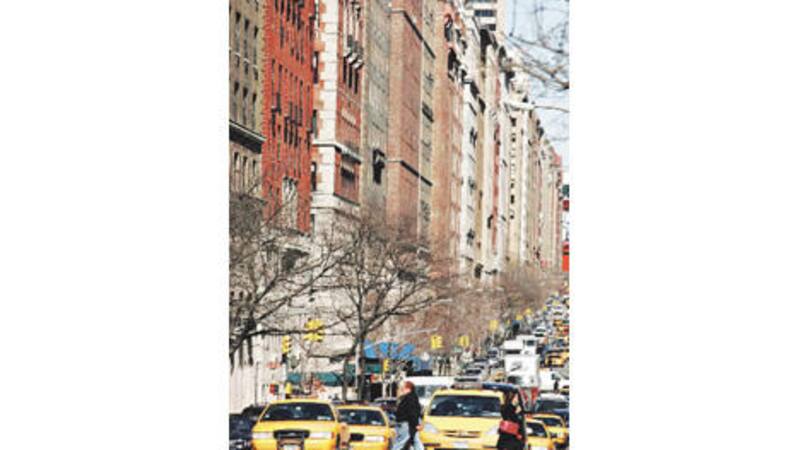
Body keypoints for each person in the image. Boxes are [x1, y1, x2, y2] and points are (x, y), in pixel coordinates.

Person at [392, 380, 423, 450]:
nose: (402, 390)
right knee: (414, 440)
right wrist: (416, 423)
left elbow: (412, 412)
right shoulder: (409, 398)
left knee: (401, 441)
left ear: (409, 389)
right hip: (407, 423)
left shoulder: (409, 398)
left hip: (406, 423)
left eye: (404, 388)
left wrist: (416, 424)